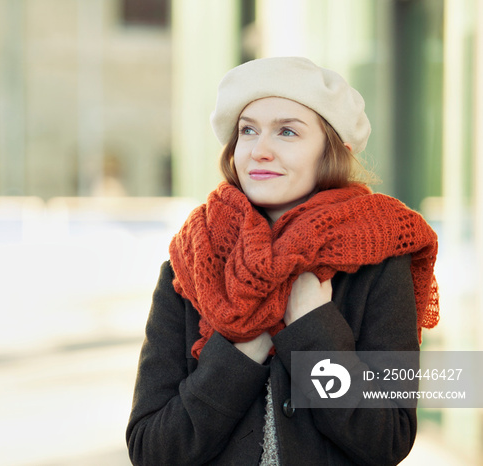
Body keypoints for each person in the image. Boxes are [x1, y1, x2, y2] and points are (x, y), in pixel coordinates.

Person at [126, 57, 440, 465]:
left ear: (333, 152)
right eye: (248, 131)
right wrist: (237, 356)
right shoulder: (190, 264)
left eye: (287, 131)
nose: (260, 150)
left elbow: (387, 442)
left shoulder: (379, 265)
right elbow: (151, 450)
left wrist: (314, 328)